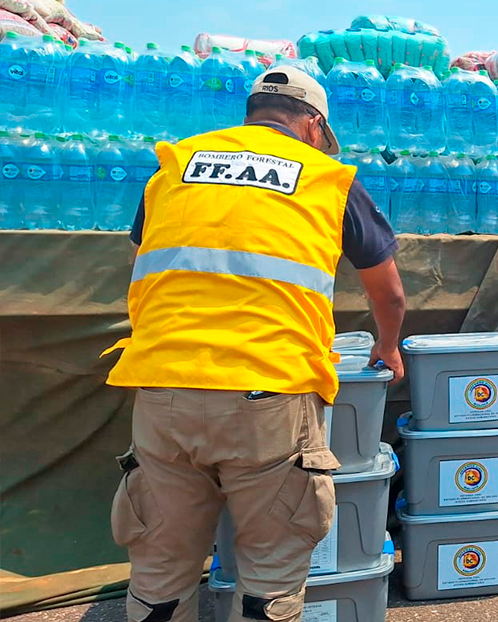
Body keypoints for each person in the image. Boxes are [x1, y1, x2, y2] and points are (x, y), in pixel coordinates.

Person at [102, 66, 406, 622]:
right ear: (314, 125)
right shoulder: (326, 176)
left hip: (163, 383)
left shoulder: (173, 168)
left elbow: (146, 265)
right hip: (269, 391)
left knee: (160, 569)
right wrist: (388, 347)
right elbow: (388, 294)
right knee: (269, 575)